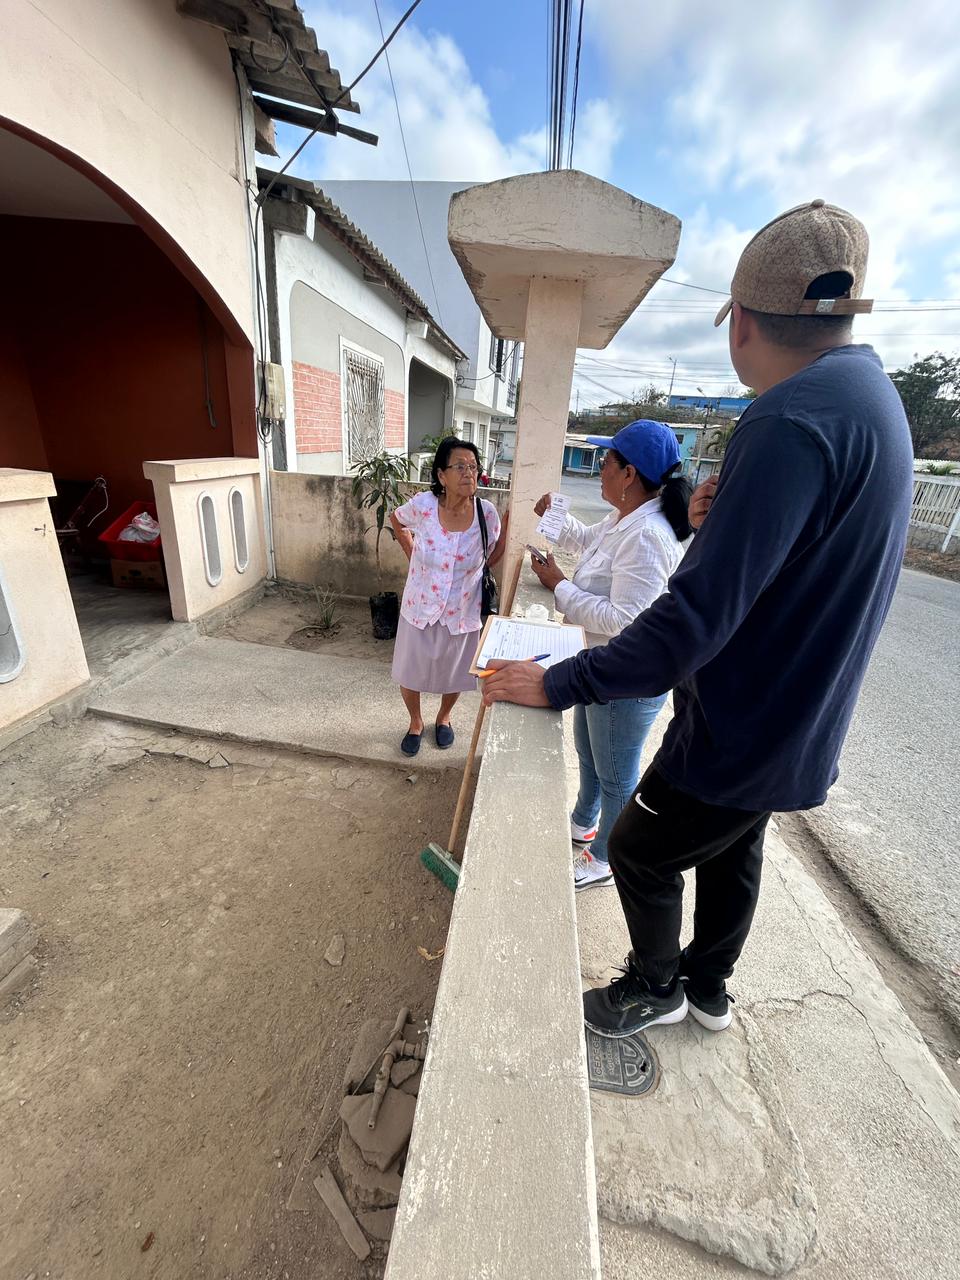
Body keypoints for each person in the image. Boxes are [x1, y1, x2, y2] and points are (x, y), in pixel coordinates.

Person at [481, 199, 914, 1037]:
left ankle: (656, 985)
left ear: (742, 321)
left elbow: (688, 618)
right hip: (798, 721)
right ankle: (710, 986)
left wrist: (559, 682)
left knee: (639, 847)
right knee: (733, 848)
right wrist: (728, 518)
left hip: (740, 724)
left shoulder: (788, 419)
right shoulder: (872, 401)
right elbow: (802, 556)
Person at [528, 420, 692, 890]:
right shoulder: (625, 517)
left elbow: (626, 621)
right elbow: (585, 541)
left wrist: (559, 585)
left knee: (617, 774)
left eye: (606, 461)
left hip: (627, 681)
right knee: (588, 751)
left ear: (629, 473)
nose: (600, 468)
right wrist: (554, 516)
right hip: (599, 665)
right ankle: (584, 821)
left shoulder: (647, 536)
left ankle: (604, 859)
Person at [389, 436, 503, 757]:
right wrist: (412, 553)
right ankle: (415, 722)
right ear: (442, 475)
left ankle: (444, 717)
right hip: (420, 606)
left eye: (474, 467)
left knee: (455, 673)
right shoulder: (424, 505)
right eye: (460, 466)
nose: (469, 473)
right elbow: (397, 520)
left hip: (462, 611)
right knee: (411, 671)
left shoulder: (486, 513)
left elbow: (491, 552)